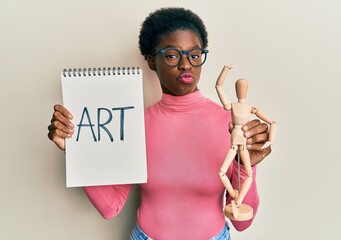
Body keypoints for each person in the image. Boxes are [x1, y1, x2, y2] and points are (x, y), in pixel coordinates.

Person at [47, 7, 272, 240]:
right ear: (152, 61)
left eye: (194, 55)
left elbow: (242, 224)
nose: (186, 65)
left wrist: (246, 167)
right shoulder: (133, 125)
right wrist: (76, 150)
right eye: (173, 55)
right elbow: (110, 206)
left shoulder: (230, 124)